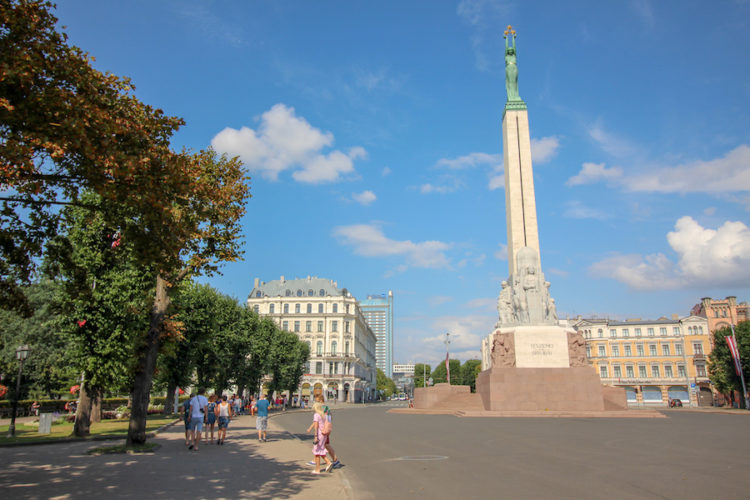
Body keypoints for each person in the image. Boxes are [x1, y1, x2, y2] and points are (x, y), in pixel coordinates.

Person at [307, 394, 340, 468]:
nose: (315, 402)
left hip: (323, 430)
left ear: (320, 400)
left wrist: (326, 428)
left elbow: (326, 419)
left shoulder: (324, 407)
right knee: (323, 445)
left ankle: (335, 460)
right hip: (325, 429)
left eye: (317, 400)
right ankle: (316, 460)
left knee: (324, 445)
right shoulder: (325, 407)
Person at [306, 402, 334, 474]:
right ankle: (328, 462)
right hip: (324, 434)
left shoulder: (316, 415)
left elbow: (316, 426)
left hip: (319, 434)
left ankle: (318, 469)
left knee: (317, 451)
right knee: (320, 450)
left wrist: (315, 436)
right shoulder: (323, 415)